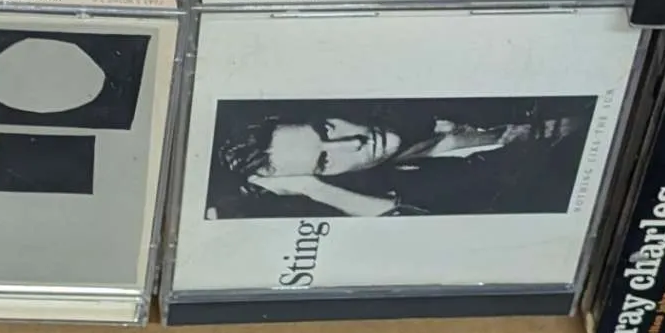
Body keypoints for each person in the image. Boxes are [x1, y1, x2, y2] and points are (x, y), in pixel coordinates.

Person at [207, 97, 594, 218]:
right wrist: (311, 189)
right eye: (325, 162)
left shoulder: (429, 94)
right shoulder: (424, 188)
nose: (353, 142)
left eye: (327, 129)